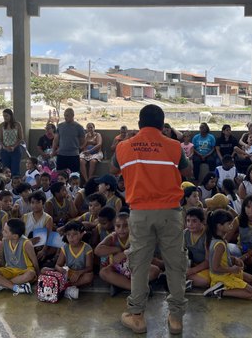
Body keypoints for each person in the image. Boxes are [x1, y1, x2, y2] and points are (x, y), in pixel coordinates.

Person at [111, 104, 191, 335]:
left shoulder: (124, 147)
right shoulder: (174, 146)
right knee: (175, 264)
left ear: (139, 124)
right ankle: (175, 318)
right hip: (170, 213)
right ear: (162, 124)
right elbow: (187, 171)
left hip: (140, 213)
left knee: (139, 265)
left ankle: (137, 316)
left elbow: (115, 170)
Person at [203, 209, 252, 300]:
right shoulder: (219, 245)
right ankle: (220, 291)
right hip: (221, 276)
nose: (231, 226)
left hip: (225, 273)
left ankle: (224, 287)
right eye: (229, 224)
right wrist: (231, 269)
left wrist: (234, 259)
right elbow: (215, 267)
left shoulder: (218, 239)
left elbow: (220, 258)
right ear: (219, 226)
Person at [0, 218, 39, 295]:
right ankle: (15, 287)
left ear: (15, 236)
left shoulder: (26, 243)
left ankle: (1, 284)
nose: (2, 232)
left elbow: (34, 261)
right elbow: (2, 262)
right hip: (10, 270)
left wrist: (38, 276)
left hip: (24, 271)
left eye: (5, 231)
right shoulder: (4, 240)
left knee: (31, 274)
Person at [51, 220, 94, 299]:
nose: (71, 237)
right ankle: (68, 287)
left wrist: (79, 273)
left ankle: (64, 287)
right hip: (67, 274)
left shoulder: (87, 248)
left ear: (81, 234)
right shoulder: (65, 247)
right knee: (44, 270)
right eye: (68, 235)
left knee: (89, 276)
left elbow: (89, 267)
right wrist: (60, 269)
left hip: (80, 274)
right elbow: (57, 265)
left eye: (75, 234)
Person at [51, 108, 85, 174]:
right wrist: (53, 151)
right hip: (61, 154)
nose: (65, 117)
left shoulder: (79, 127)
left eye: (67, 115)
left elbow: (82, 141)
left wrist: (77, 148)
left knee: (74, 175)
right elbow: (56, 140)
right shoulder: (60, 126)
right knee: (60, 175)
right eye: (64, 115)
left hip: (73, 155)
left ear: (72, 115)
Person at [183, 208, 209, 289]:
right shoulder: (185, 233)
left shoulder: (207, 235)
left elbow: (208, 262)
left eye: (194, 221)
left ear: (202, 222)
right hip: (192, 266)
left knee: (205, 282)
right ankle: (182, 280)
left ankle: (179, 281)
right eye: (188, 221)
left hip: (206, 267)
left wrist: (192, 271)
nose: (190, 224)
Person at [0, 109, 24, 177]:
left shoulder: (17, 124)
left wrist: (13, 146)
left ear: (11, 116)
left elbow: (20, 138)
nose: (5, 118)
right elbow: (0, 139)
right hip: (5, 150)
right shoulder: (2, 125)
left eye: (6, 116)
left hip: (16, 150)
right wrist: (4, 147)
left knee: (15, 170)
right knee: (6, 170)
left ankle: (15, 185)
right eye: (3, 116)